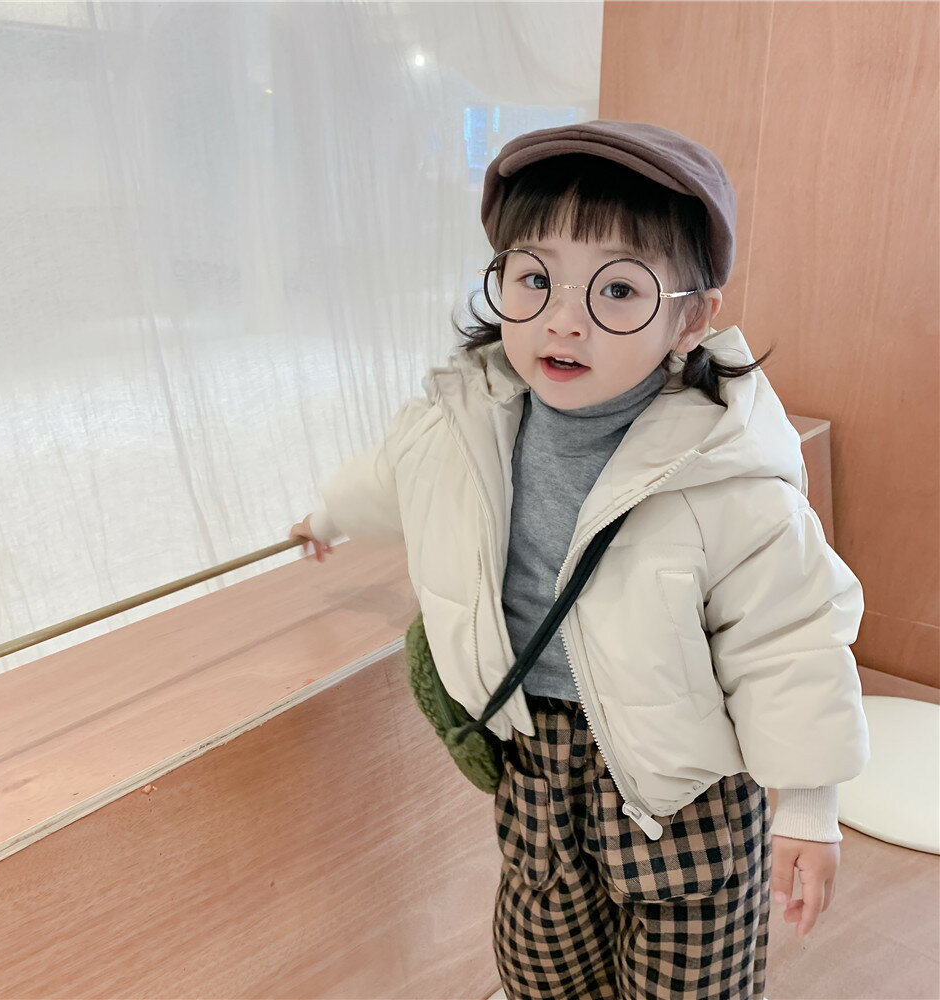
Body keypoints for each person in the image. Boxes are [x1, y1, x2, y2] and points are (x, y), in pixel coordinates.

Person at [290, 120, 869, 1000]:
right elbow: (396, 478)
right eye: (536, 278)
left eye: (618, 290)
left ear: (690, 318)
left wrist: (811, 803)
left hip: (683, 785)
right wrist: (330, 514)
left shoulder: (726, 474)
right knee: (542, 963)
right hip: (537, 757)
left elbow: (790, 639)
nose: (564, 319)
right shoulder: (463, 423)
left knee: (691, 981)